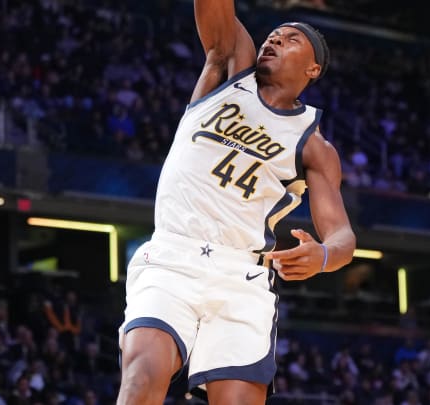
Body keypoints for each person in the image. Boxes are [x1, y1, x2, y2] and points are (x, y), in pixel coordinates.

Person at [116, 0, 356, 403]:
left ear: (312, 70)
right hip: (174, 255)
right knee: (142, 376)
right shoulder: (229, 69)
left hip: (241, 277)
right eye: (272, 35)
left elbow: (343, 235)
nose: (275, 39)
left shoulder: (314, 146)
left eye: (291, 39)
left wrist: (324, 256)